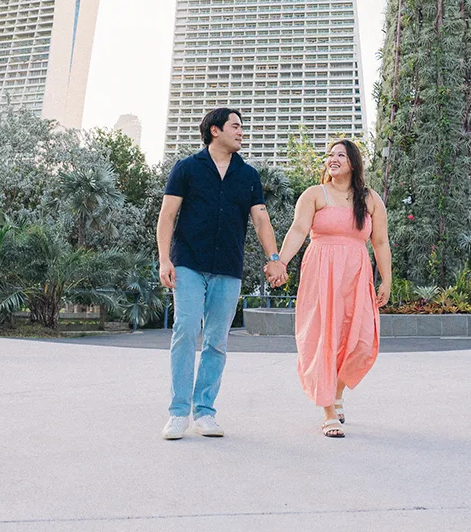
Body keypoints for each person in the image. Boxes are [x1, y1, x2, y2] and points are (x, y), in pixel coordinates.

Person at [156, 107, 286, 440]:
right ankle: (177, 412)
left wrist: (274, 258)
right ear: (215, 130)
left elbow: (261, 220)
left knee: (217, 340)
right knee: (185, 330)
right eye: (236, 126)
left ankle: (205, 412)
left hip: (228, 267)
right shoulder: (187, 168)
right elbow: (168, 215)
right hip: (188, 262)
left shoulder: (248, 176)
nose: (242, 132)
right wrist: (163, 260)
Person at [272, 139, 390, 437]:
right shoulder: (314, 194)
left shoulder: (371, 199)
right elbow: (299, 229)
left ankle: (336, 392)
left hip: (356, 273)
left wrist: (386, 279)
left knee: (361, 339)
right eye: (330, 155)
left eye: (340, 154)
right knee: (324, 337)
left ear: (353, 162)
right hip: (321, 272)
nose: (333, 159)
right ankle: (328, 410)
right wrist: (280, 262)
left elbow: (380, 242)